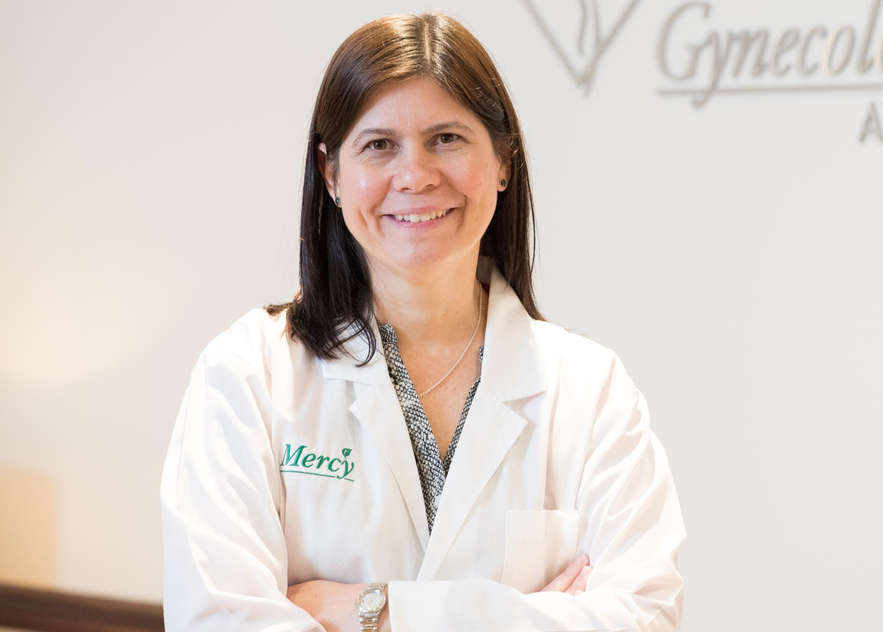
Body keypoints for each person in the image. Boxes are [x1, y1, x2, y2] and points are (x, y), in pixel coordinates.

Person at [160, 10, 686, 632]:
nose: (415, 176)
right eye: (379, 145)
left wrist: (375, 610)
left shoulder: (592, 391)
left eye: (448, 139)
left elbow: (646, 618)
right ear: (331, 174)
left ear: (503, 162)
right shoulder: (248, 375)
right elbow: (221, 621)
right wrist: (539, 616)